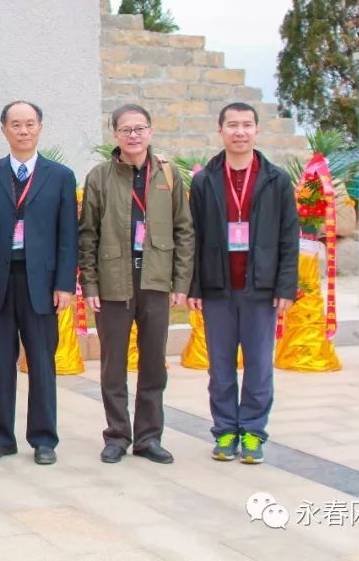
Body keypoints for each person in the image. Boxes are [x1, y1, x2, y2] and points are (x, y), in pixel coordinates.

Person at [78, 104, 193, 465]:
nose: (133, 135)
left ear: (150, 132)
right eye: (126, 130)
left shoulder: (169, 176)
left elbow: (184, 230)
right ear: (115, 134)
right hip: (114, 282)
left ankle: (148, 437)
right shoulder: (99, 177)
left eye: (139, 128)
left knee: (154, 363)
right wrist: (91, 286)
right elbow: (87, 236)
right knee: (113, 365)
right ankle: (116, 435)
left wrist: (181, 281)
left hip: (156, 281)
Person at [188, 102, 298, 464]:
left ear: (256, 131)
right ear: (220, 131)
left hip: (260, 289)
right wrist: (194, 287)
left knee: (258, 365)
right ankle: (224, 432)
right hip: (218, 287)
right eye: (232, 125)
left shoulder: (276, 179)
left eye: (246, 125)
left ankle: (252, 431)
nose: (239, 131)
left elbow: (288, 238)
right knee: (219, 367)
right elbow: (194, 236)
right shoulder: (205, 180)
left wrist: (285, 287)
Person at [0, 101, 77, 465]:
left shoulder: (60, 176)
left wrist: (65, 284)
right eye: (15, 124)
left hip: (43, 285)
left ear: (40, 128)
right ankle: (0, 437)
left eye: (29, 124)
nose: (23, 131)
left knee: (42, 364)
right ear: (3, 130)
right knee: (2, 364)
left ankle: (44, 438)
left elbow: (68, 237)